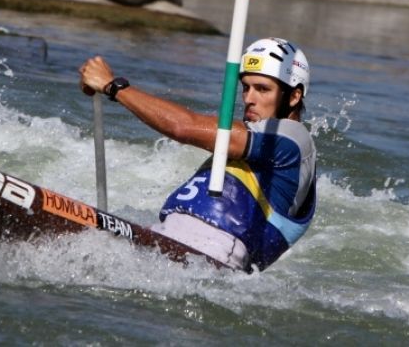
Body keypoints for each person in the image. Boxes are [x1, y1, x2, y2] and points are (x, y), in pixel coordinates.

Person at [79, 37, 316, 272]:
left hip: (216, 254)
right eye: (246, 87)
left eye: (263, 89)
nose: (249, 99)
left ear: (294, 96)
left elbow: (182, 126)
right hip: (169, 238)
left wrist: (113, 86)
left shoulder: (291, 139)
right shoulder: (256, 148)